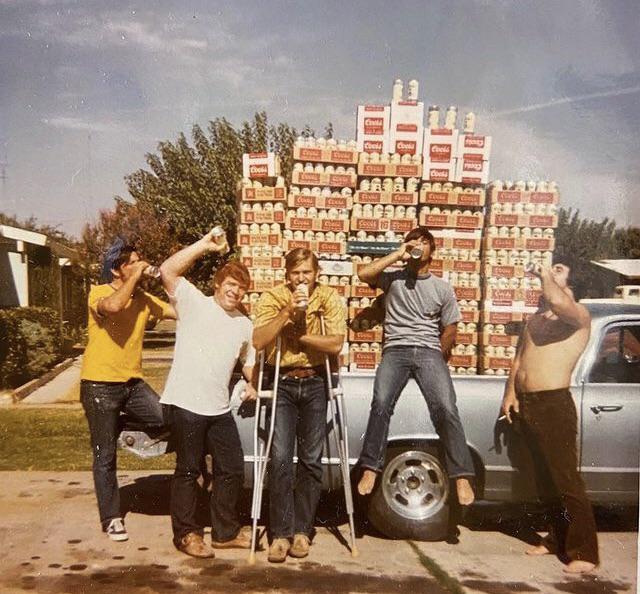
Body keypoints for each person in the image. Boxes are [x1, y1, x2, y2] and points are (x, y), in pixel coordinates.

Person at [356, 226, 476, 507]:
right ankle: (370, 468)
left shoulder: (442, 288)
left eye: (423, 242)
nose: (418, 245)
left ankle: (462, 475)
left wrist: (438, 354)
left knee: (446, 407)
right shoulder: (393, 279)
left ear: (432, 251)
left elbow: (450, 328)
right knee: (381, 403)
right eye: (413, 241)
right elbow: (364, 274)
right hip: (395, 349)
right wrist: (398, 253)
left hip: (427, 351)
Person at [159, 230, 257, 558]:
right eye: (231, 284)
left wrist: (253, 382)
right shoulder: (193, 303)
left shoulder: (244, 324)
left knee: (231, 467)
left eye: (242, 288)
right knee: (189, 470)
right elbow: (168, 270)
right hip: (185, 403)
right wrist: (204, 245)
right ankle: (186, 535)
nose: (236, 291)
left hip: (217, 409)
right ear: (218, 283)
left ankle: (224, 532)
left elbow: (248, 360)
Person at [500, 261, 598, 574]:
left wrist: (545, 275)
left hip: (554, 403)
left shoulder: (578, 316)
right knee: (545, 482)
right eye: (550, 269)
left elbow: (558, 300)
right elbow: (519, 359)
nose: (551, 272)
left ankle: (585, 552)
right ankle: (557, 538)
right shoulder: (537, 319)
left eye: (560, 269)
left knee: (566, 479)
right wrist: (510, 395)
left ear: (573, 283)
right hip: (528, 403)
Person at [252, 248, 346, 563]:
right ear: (287, 275)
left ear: (316, 273)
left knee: (310, 459)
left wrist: (301, 336)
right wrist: (285, 314)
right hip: (284, 382)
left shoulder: (329, 297)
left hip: (317, 380)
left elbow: (335, 343)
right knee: (279, 457)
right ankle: (280, 535)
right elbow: (258, 340)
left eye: (306, 272)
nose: (301, 279)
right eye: (295, 273)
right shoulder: (274, 297)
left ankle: (302, 532)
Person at [80, 238, 176, 542]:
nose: (140, 264)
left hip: (132, 385)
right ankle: (111, 519)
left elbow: (178, 312)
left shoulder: (144, 299)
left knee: (169, 418)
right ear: (117, 269)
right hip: (99, 385)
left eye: (139, 260)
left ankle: (119, 426)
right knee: (104, 455)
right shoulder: (99, 293)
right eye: (133, 261)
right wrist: (137, 275)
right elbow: (114, 306)